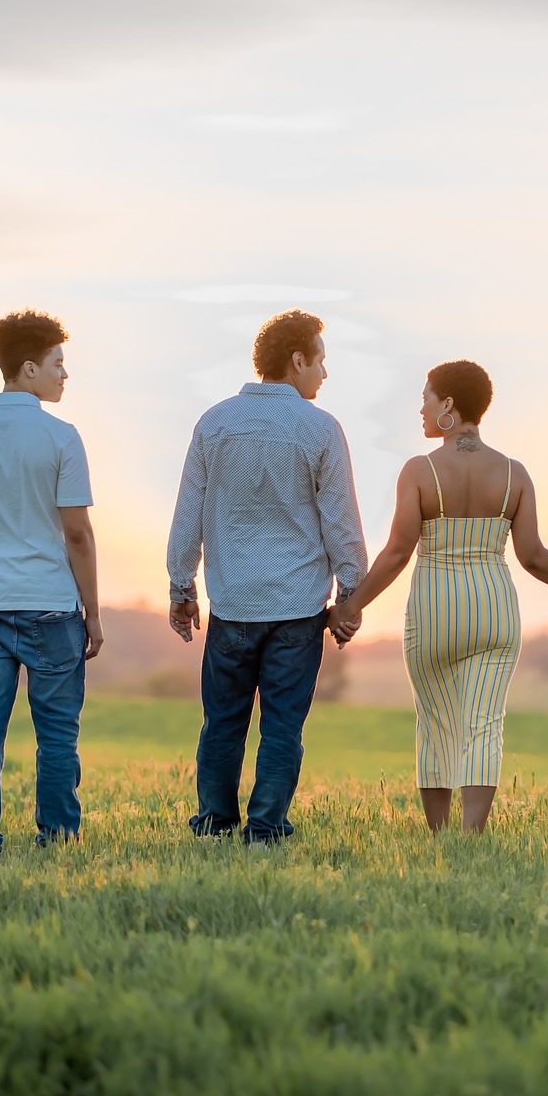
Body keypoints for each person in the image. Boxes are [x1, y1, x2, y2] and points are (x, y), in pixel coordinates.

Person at [330, 361, 548, 833]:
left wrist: (351, 605)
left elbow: (397, 553)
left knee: (436, 724)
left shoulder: (419, 471)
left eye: (426, 398)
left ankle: (442, 837)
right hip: (494, 608)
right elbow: (531, 555)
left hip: (434, 610)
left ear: (448, 404)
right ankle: (471, 838)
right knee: (484, 723)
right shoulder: (514, 473)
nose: (420, 408)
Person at [167, 309, 367, 843]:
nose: (324, 372)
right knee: (283, 726)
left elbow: (188, 513)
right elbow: (341, 524)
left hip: (232, 603)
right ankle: (266, 826)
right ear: (297, 360)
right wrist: (351, 594)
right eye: (320, 360)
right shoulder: (321, 429)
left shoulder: (214, 422)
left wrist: (181, 585)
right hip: (297, 610)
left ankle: (214, 822)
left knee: (222, 723)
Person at [0, 311, 101, 850]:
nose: (65, 375)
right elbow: (77, 533)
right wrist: (93, 615)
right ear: (29, 369)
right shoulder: (62, 437)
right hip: (51, 607)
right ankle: (56, 836)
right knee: (57, 732)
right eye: (58, 364)